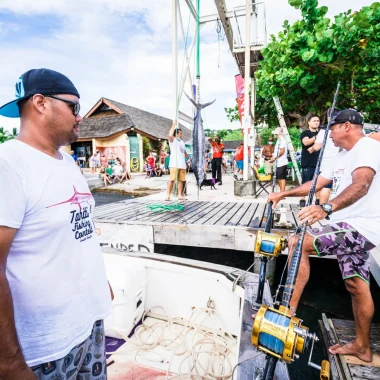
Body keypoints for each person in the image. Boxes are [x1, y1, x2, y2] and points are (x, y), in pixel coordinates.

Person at [0, 68, 112, 379]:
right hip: (44, 350)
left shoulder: (67, 161)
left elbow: (77, 233)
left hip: (89, 325)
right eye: (74, 106)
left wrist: (99, 284)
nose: (80, 116)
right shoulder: (8, 165)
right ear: (40, 103)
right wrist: (8, 363)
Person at [267, 109, 379, 363]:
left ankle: (285, 317)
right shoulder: (342, 154)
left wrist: (326, 207)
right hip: (348, 226)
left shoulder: (366, 147)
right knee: (356, 285)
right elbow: (318, 182)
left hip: (362, 227)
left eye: (333, 127)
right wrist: (283, 195)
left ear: (348, 126)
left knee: (299, 242)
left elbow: (362, 184)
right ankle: (362, 346)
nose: (329, 132)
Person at [308, 108, 340, 204]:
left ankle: (323, 208)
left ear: (328, 117)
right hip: (340, 162)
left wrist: (312, 148)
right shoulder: (342, 129)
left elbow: (317, 147)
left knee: (326, 187)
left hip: (327, 163)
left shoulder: (324, 131)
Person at [299, 114, 321, 207]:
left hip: (318, 162)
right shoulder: (305, 133)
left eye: (318, 121)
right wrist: (316, 137)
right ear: (309, 122)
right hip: (307, 163)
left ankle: (318, 202)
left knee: (318, 183)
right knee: (306, 183)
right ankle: (302, 202)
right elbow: (306, 142)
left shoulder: (321, 133)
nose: (316, 122)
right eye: (314, 121)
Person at [166, 120, 188, 200]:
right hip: (174, 164)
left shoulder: (182, 142)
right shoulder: (172, 140)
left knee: (181, 180)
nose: (181, 134)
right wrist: (174, 125)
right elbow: (170, 134)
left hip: (182, 164)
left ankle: (179, 195)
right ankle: (168, 195)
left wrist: (187, 156)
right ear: (176, 134)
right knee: (172, 179)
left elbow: (184, 151)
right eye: (180, 133)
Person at [270, 127, 288, 192]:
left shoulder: (283, 140)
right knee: (279, 178)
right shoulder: (279, 140)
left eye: (276, 134)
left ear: (278, 134)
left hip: (282, 162)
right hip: (278, 162)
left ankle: (282, 193)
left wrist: (274, 158)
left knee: (282, 178)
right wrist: (273, 157)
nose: (275, 136)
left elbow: (282, 151)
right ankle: (281, 192)